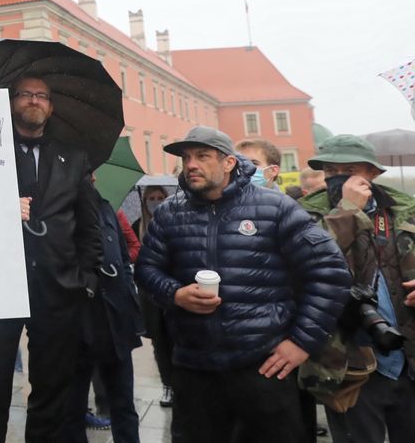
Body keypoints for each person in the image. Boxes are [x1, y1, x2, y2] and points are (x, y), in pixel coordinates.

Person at [135, 126, 350, 443]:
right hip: (195, 369)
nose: (191, 164)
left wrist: (302, 342)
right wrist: (175, 293)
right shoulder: (170, 213)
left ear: (229, 163)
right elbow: (146, 270)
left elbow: (331, 272)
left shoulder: (275, 208)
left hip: (263, 367)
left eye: (203, 156)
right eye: (186, 157)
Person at [0, 74, 103, 443]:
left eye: (41, 95)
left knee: (51, 388)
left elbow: (90, 226)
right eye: (25, 94)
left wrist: (87, 280)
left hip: (59, 289)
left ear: (51, 106)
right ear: (12, 102)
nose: (34, 100)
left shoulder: (73, 159)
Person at [298, 135, 415, 443]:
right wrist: (348, 209)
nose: (340, 178)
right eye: (331, 172)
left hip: (408, 355)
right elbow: (311, 265)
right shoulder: (305, 215)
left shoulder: (405, 209)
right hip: (349, 362)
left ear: (372, 173)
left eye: (349, 170)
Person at [63, 174, 142, 443]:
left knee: (124, 406)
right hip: (77, 324)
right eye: (83, 173)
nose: (91, 177)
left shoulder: (107, 207)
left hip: (115, 322)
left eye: (92, 172)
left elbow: (122, 257)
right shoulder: (57, 211)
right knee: (72, 409)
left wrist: (127, 292)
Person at [133, 185, 178, 411]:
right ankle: (167, 385)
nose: (156, 201)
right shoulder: (137, 225)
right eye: (151, 198)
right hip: (149, 295)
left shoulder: (175, 222)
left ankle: (180, 383)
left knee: (177, 339)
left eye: (160, 197)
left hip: (174, 290)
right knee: (160, 343)